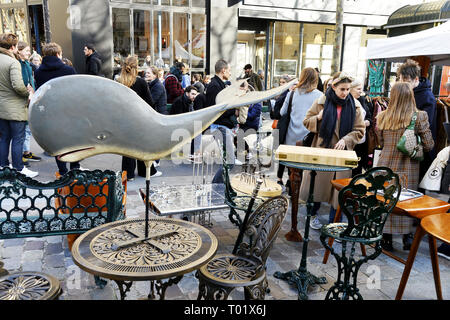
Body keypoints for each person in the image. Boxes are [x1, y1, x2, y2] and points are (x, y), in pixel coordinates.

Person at [299, 72, 365, 230]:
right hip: (322, 150)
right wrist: (319, 118)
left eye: (348, 89)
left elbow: (359, 130)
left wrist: (346, 140)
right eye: (342, 89)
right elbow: (306, 121)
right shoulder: (321, 102)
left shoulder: (355, 106)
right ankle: (312, 216)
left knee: (339, 192)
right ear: (333, 87)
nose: (345, 93)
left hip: (342, 154)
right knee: (316, 187)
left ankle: (333, 223)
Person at [376, 82, 434, 252]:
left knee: (387, 200)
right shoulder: (419, 116)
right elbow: (429, 144)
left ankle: (385, 238)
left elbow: (380, 142)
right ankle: (407, 238)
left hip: (385, 165)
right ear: (411, 95)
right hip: (408, 166)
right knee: (406, 201)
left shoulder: (383, 116)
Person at [34, 42, 83, 175]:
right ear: (58, 54)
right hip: (69, 110)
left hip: (50, 112)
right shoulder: (68, 70)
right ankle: (75, 167)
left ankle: (62, 170)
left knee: (57, 141)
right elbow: (77, 90)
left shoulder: (38, 72)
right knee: (74, 140)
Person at [116, 56, 159, 181]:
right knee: (141, 146)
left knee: (127, 148)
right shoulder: (140, 82)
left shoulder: (119, 82)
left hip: (124, 119)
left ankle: (128, 174)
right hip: (139, 118)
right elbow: (150, 102)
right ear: (136, 68)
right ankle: (143, 171)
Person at [0, 33, 37, 178]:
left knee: (4, 138)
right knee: (18, 138)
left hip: (1, 108)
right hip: (14, 107)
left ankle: (3, 166)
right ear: (13, 47)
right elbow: (18, 86)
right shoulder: (12, 62)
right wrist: (27, 91)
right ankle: (19, 168)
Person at [397, 59, 437, 184]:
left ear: (416, 79)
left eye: (407, 81)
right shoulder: (403, 92)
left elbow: (425, 124)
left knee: (414, 187)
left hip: (419, 149)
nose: (404, 83)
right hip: (404, 145)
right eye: (401, 80)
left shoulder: (427, 97)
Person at [17, 41, 41, 166]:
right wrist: (29, 91)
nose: (29, 53)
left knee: (27, 128)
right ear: (19, 50)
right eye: (26, 50)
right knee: (23, 129)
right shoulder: (19, 64)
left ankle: (26, 152)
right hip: (24, 99)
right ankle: (23, 154)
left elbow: (30, 82)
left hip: (30, 98)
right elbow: (23, 84)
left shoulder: (26, 63)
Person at [270, 75, 293, 186]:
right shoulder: (282, 94)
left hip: (288, 125)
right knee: (283, 152)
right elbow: (275, 113)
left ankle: (288, 177)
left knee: (288, 153)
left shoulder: (289, 94)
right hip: (282, 125)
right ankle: (280, 178)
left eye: (283, 82)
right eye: (280, 82)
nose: (281, 84)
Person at [350, 78, 372, 176]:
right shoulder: (347, 102)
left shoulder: (362, 100)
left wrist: (368, 121)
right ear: (351, 89)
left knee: (358, 168)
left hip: (362, 139)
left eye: (361, 89)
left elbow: (369, 116)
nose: (361, 91)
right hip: (352, 139)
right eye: (358, 89)